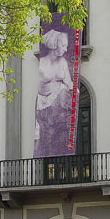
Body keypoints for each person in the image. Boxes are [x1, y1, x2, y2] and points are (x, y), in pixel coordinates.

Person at [34, 28, 74, 157]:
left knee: (64, 94)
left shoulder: (62, 62)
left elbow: (68, 81)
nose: (66, 49)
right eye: (63, 45)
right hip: (43, 102)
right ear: (54, 45)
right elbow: (40, 88)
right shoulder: (43, 64)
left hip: (57, 98)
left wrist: (73, 87)